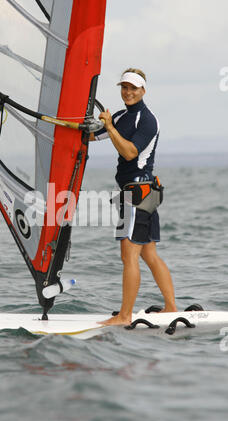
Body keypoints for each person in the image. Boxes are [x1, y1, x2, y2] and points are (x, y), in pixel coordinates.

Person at [90, 68, 177, 326]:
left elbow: (129, 152)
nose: (128, 92)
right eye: (124, 87)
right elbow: (93, 136)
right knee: (148, 253)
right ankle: (171, 307)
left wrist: (109, 126)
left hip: (138, 193)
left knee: (129, 255)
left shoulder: (147, 120)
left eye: (133, 88)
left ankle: (124, 316)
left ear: (143, 91)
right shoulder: (119, 116)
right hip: (140, 191)